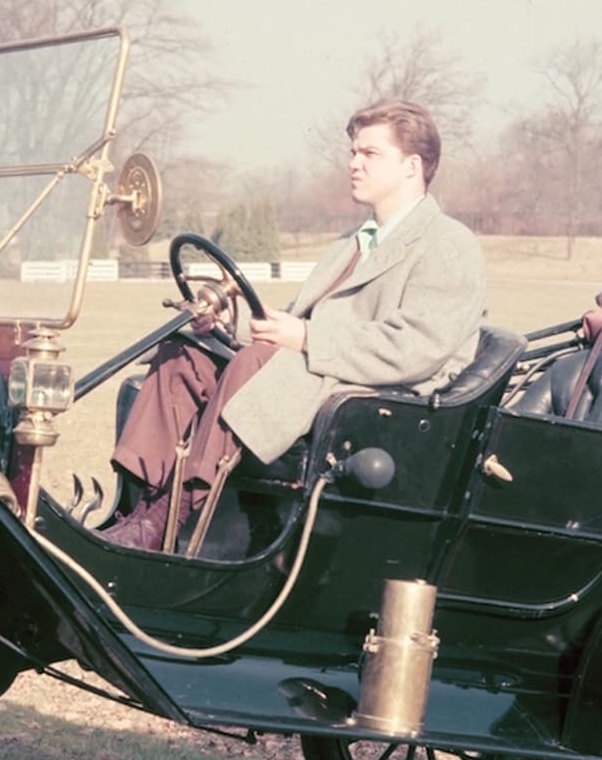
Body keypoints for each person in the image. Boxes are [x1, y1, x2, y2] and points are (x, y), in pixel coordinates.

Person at [105, 99, 487, 551]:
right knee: (183, 354)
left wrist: (306, 338)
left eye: (370, 154)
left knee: (260, 364)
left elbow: (417, 348)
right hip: (324, 369)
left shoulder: (447, 243)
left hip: (382, 399)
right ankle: (138, 507)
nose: (354, 164)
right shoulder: (355, 242)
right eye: (353, 153)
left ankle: (173, 515)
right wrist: (229, 319)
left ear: (412, 166)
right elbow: (299, 318)